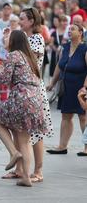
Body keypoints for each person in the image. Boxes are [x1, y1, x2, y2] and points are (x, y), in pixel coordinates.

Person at [0, 30, 47, 187]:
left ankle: (13, 152)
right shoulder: (30, 56)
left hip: (21, 97)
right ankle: (26, 177)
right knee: (25, 140)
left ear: (14, 41)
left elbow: (5, 80)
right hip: (35, 99)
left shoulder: (14, 55)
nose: (5, 41)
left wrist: (0, 70)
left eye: (7, 38)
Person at [3, 7, 53, 182]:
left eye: (22, 19)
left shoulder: (37, 38)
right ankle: (19, 169)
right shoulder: (25, 38)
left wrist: (10, 45)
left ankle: (38, 171)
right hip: (22, 89)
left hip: (34, 88)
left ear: (32, 21)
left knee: (36, 132)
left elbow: (25, 58)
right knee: (19, 129)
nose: (20, 21)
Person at [46, 23, 87, 155]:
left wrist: (85, 87)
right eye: (69, 30)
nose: (70, 31)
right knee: (66, 115)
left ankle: (86, 147)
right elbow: (59, 65)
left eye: (73, 29)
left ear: (81, 33)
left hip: (81, 87)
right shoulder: (65, 47)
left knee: (83, 116)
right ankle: (62, 146)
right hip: (66, 87)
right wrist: (52, 82)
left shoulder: (85, 48)